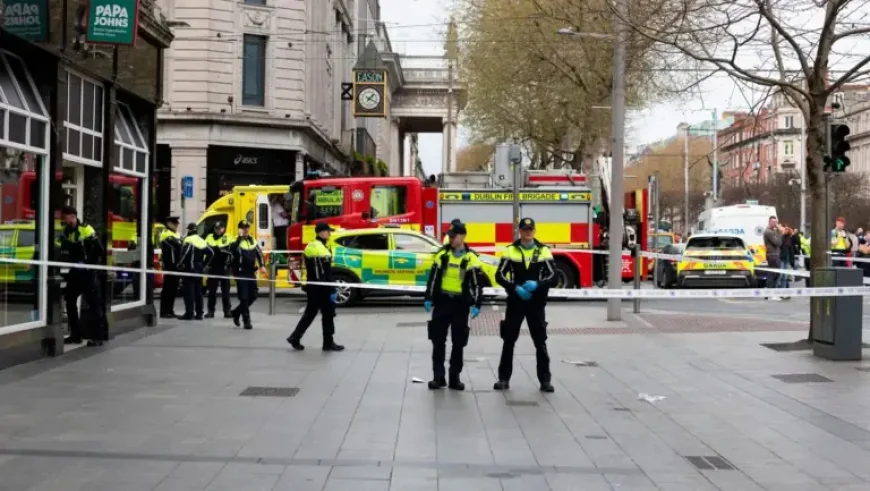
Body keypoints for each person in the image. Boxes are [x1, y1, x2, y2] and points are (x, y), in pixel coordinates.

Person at [493, 218, 558, 393]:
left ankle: (545, 380)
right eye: (525, 229)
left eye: (530, 229)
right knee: (509, 340)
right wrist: (514, 288)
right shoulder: (511, 250)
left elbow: (554, 277)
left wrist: (538, 284)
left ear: (534, 231)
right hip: (516, 302)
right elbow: (499, 275)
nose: (528, 232)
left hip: (536, 303)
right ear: (519, 231)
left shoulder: (543, 251)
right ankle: (503, 379)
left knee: (540, 342)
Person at [423, 221, 484, 391]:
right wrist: (428, 297)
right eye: (449, 236)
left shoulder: (470, 257)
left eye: (453, 236)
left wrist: (477, 303)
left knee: (458, 342)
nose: (450, 238)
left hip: (460, 305)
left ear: (463, 236)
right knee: (437, 341)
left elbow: (477, 284)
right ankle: (438, 377)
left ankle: (454, 377)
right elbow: (433, 278)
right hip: (442, 303)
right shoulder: (442, 255)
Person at [287, 222, 345, 351]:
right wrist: (330, 288)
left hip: (313, 285)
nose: (329, 234)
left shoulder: (315, 245)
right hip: (321, 287)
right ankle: (328, 343)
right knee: (328, 313)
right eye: (327, 231)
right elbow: (323, 272)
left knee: (311, 313)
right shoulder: (318, 248)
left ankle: (295, 337)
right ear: (321, 232)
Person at [57, 206, 106, 346]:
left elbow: (98, 250)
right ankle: (75, 335)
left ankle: (98, 337)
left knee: (94, 303)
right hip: (75, 271)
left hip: (87, 272)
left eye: (64, 217)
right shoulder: (66, 231)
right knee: (70, 300)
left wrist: (92, 266)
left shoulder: (86, 229)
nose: (63, 220)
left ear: (72, 216)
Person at [229, 220, 266, 329]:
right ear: (239, 229)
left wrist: (262, 265)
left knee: (253, 296)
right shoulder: (235, 242)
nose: (245, 229)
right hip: (240, 272)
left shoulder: (252, 240)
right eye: (243, 227)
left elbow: (259, 253)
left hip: (251, 272)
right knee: (244, 298)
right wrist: (240, 238)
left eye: (247, 227)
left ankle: (236, 312)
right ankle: (246, 320)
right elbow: (233, 251)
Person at [178, 223, 213, 320]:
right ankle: (199, 313)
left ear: (189, 230)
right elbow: (211, 253)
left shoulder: (188, 240)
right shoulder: (201, 240)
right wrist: (204, 264)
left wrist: (179, 264)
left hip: (190, 269)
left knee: (189, 293)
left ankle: (189, 313)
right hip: (199, 269)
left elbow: (185, 253)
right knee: (198, 292)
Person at [204, 221, 232, 319]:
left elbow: (228, 251)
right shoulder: (209, 237)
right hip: (213, 267)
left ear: (223, 229)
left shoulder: (227, 237)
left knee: (226, 292)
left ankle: (227, 311)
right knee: (212, 291)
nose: (218, 230)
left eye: (220, 228)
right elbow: (207, 250)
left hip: (224, 267)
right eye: (217, 228)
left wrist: (218, 249)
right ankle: (210, 311)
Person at [158, 217, 182, 318]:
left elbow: (180, 245)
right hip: (169, 265)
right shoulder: (165, 233)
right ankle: (164, 311)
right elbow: (177, 246)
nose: (177, 224)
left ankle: (170, 310)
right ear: (168, 223)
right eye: (174, 223)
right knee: (167, 289)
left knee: (173, 289)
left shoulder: (177, 234)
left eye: (177, 223)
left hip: (176, 265)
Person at [763, 216, 784, 301]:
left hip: (774, 254)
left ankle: (768, 292)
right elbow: (778, 243)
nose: (775, 223)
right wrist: (780, 233)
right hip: (772, 255)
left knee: (773, 274)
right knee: (774, 274)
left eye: (776, 222)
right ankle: (772, 294)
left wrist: (778, 232)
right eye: (773, 222)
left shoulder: (772, 231)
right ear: (769, 222)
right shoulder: (768, 232)